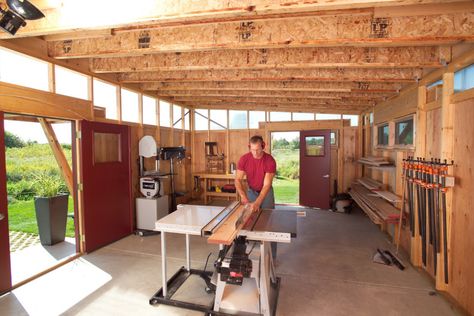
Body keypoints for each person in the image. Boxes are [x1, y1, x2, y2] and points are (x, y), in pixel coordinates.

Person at [235, 135, 277, 258]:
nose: (255, 152)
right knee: (248, 222)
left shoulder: (270, 160)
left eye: (258, 149)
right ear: (249, 147)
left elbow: (267, 184)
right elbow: (237, 180)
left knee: (269, 223)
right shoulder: (244, 159)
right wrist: (243, 196)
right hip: (251, 191)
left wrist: (257, 202)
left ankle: (271, 257)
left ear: (263, 146)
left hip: (266, 192)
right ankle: (250, 254)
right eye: (252, 149)